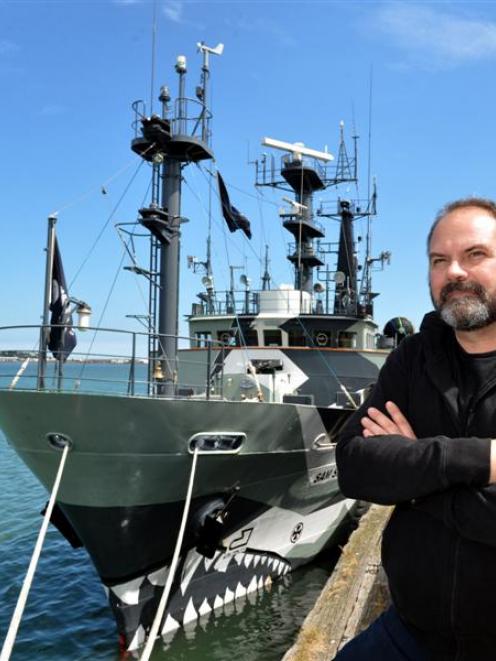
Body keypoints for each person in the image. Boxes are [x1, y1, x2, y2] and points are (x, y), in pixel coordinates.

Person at [334, 198, 496, 661]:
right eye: (439, 261)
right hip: (412, 634)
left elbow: (389, 473)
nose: (454, 272)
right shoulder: (413, 358)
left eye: (476, 255)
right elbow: (354, 465)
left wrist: (414, 478)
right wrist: (481, 460)